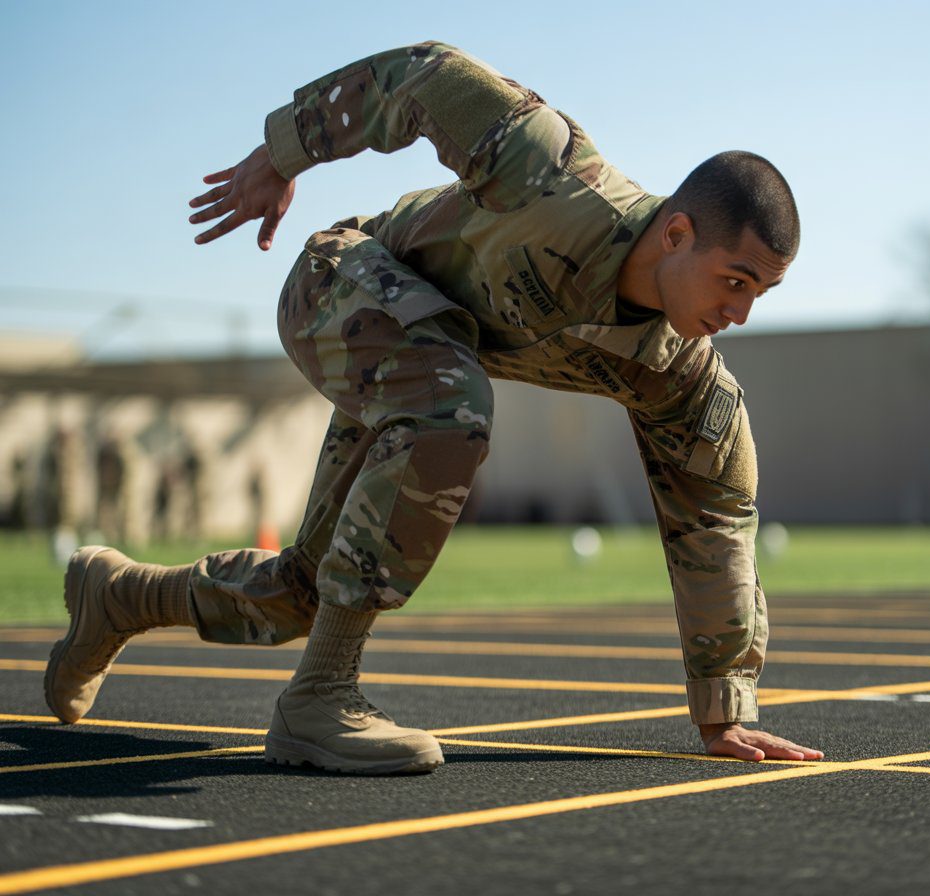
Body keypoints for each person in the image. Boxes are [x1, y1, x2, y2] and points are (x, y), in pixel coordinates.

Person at [45, 41, 824, 774]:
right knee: (452, 402)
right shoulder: (548, 170)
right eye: (735, 280)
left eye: (762, 292)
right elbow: (422, 75)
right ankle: (319, 699)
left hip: (415, 358)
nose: (742, 312)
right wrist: (282, 155)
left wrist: (724, 710)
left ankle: (115, 596)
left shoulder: (681, 376)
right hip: (344, 280)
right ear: (678, 234)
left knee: (303, 590)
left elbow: (715, 519)